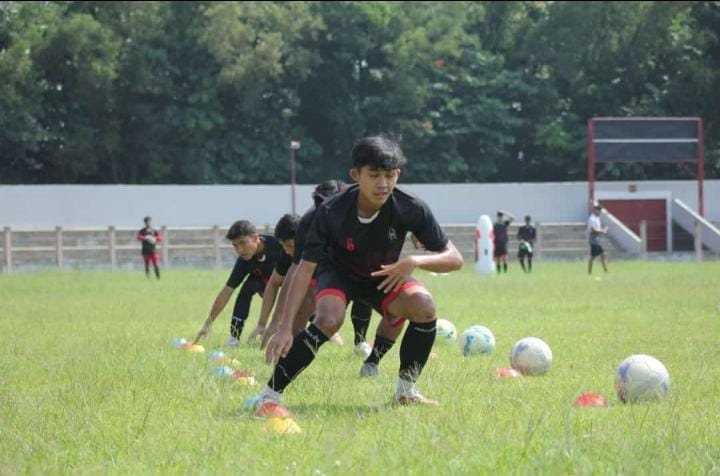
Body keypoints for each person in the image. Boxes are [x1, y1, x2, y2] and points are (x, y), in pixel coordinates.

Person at [259, 135, 464, 408]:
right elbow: (304, 269)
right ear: (356, 174)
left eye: (390, 175)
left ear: (398, 175)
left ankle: (406, 392)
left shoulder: (411, 206)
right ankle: (268, 396)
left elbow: (454, 258)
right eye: (374, 175)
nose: (383, 183)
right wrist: (285, 327)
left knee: (424, 307)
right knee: (329, 319)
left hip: (383, 274)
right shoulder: (331, 210)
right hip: (338, 274)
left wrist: (414, 261)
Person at [259, 180, 398, 374]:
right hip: (329, 269)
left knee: (399, 309)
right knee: (304, 308)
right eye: (321, 207)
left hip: (366, 266)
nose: (326, 211)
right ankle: (285, 366)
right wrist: (281, 323)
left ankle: (371, 360)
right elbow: (296, 271)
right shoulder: (309, 222)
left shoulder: (371, 209)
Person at [193, 220, 284, 348]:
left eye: (242, 243)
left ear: (255, 238)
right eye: (235, 245)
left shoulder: (279, 245)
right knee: (248, 287)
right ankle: (234, 337)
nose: (240, 250)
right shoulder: (244, 260)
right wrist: (208, 324)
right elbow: (227, 290)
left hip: (289, 281)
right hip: (266, 282)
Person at [587, 204, 609, 275]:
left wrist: (603, 230)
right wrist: (602, 230)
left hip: (596, 239)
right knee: (603, 254)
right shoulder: (592, 219)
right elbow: (593, 230)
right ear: (595, 210)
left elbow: (597, 228)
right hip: (594, 240)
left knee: (594, 256)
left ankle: (590, 272)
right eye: (599, 210)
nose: (600, 211)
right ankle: (606, 270)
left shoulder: (597, 218)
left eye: (600, 210)